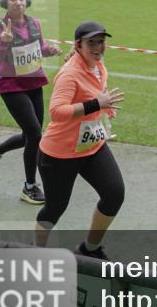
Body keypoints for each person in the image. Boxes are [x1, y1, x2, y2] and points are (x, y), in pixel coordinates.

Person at [35, 21, 125, 260]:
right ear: (78, 45)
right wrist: (97, 104)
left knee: (114, 193)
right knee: (55, 208)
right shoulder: (70, 74)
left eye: (101, 42)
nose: (98, 47)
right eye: (91, 43)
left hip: (91, 146)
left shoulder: (97, 65)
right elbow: (57, 112)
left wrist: (104, 111)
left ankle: (90, 248)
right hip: (60, 154)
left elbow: (96, 95)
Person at [0, 0, 61, 204]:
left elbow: (37, 47)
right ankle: (29, 186)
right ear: (4, 2)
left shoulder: (34, 23)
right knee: (35, 135)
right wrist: (4, 44)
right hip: (12, 87)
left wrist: (49, 51)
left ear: (27, 2)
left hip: (34, 83)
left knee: (30, 135)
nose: (18, 2)